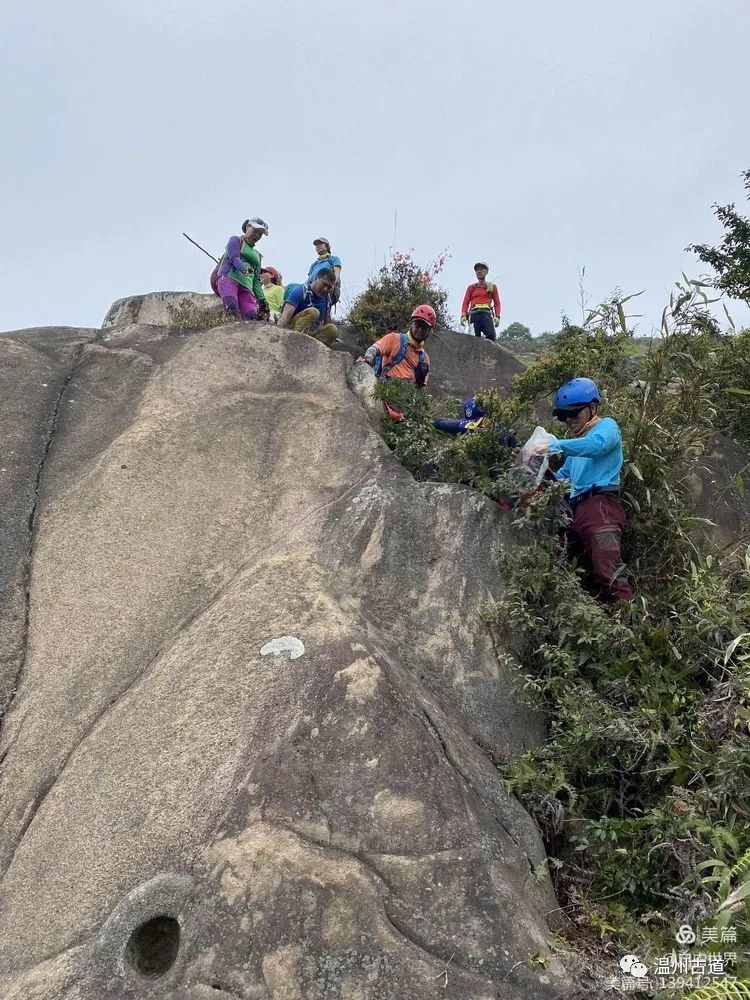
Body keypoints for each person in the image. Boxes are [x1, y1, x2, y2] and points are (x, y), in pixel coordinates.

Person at [530, 377, 634, 604]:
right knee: (576, 568)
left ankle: (628, 626)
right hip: (576, 509)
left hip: (601, 507)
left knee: (609, 571)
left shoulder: (607, 427)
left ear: (592, 408)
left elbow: (598, 445)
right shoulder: (576, 444)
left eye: (573, 414)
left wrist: (556, 445)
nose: (568, 421)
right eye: (563, 416)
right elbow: (563, 476)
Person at [355, 305, 435, 386]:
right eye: (418, 324)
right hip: (387, 388)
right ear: (411, 324)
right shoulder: (394, 339)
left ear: (429, 331)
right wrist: (368, 359)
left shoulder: (425, 358)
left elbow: (422, 386)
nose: (420, 329)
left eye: (424, 327)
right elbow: (374, 349)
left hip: (409, 394)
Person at [211, 218, 270, 321]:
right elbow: (234, 259)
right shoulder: (236, 240)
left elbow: (256, 281)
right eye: (255, 231)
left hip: (246, 288)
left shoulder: (257, 255)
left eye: (260, 234)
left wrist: (262, 300)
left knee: (252, 317)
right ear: (247, 227)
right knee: (232, 307)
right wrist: (245, 270)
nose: (257, 236)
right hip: (229, 279)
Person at [278, 270, 338, 345]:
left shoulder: (327, 300)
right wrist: (278, 333)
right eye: (324, 284)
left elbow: (325, 323)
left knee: (332, 329)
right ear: (316, 278)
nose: (325, 289)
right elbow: (285, 316)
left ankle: (314, 348)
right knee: (314, 312)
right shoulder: (300, 291)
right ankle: (295, 340)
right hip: (292, 329)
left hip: (312, 334)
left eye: (329, 287)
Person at [460, 263, 501, 341]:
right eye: (477, 270)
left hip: (486, 314)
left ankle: (489, 353)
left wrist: (497, 316)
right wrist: (463, 315)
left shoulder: (492, 287)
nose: (479, 271)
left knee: (491, 336)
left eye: (482, 269)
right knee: (473, 339)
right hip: (474, 315)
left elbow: (497, 303)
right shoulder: (471, 288)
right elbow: (465, 303)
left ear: (486, 272)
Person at [308, 238, 342, 305]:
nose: (318, 246)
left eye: (321, 244)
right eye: (316, 245)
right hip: (314, 289)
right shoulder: (314, 264)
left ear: (327, 246)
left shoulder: (333, 259)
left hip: (327, 288)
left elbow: (337, 273)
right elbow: (309, 280)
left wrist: (332, 284)